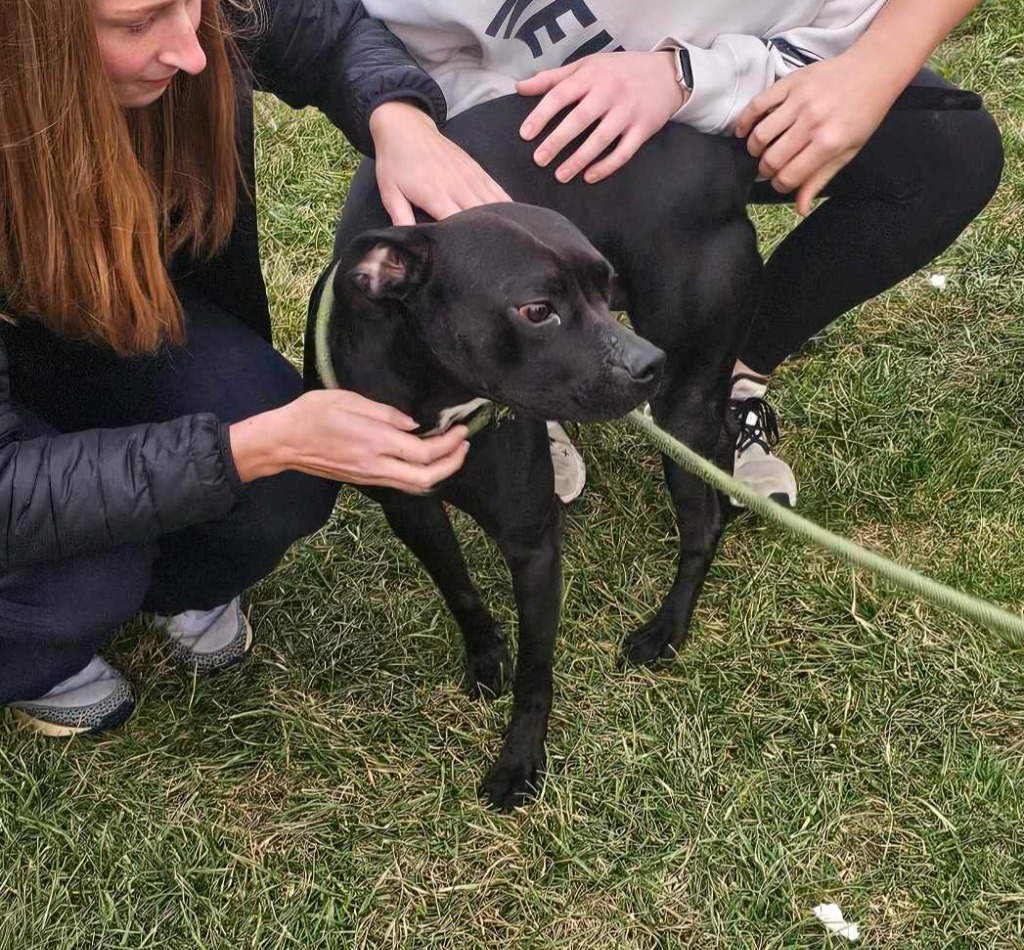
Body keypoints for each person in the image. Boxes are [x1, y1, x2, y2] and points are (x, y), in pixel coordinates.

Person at [0, 0, 512, 736]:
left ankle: (167, 573)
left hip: (92, 316)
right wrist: (251, 447)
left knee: (282, 478)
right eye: (139, 23)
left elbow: (325, 27)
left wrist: (398, 117)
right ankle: (36, 643)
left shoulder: (199, 31)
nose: (194, 51)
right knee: (84, 581)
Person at [360, 0, 1004, 507]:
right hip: (544, 116)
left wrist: (863, 71)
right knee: (418, 203)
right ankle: (534, 376)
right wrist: (420, 116)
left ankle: (729, 375)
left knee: (948, 155)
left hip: (756, 84)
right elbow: (379, 41)